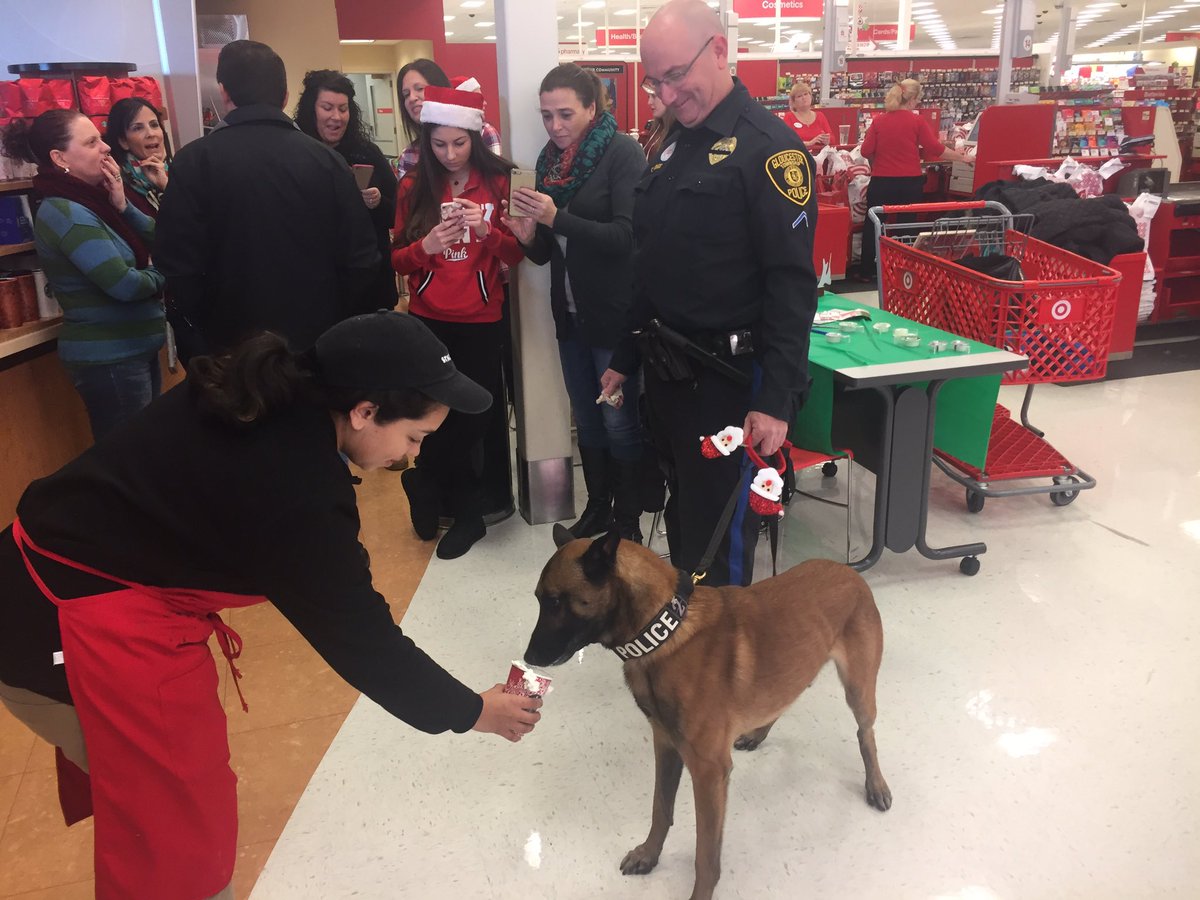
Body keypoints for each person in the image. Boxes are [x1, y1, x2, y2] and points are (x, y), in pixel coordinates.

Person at [0, 311, 543, 900]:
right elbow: (364, 640)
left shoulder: (270, 390)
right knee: (174, 822)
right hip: (62, 615)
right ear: (364, 411)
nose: (410, 457)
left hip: (62, 573)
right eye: (414, 437)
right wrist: (472, 711)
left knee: (172, 801)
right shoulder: (296, 485)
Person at [600, 0, 818, 587]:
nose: (666, 95)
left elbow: (792, 285)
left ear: (719, 51)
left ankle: (727, 665)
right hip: (669, 374)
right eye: (655, 81)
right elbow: (654, 261)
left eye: (676, 76)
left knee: (725, 538)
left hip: (729, 380)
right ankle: (693, 642)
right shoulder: (677, 143)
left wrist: (777, 397)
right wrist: (623, 357)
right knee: (686, 519)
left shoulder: (771, 152)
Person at [155, 40, 379, 364]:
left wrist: (199, 340)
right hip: (314, 344)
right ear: (285, 96)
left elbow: (175, 265)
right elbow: (362, 260)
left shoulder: (193, 162)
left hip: (228, 350)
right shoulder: (327, 162)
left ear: (224, 92)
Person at [501, 63, 647, 543]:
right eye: (546, 116)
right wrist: (527, 236)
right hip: (569, 317)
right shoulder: (549, 164)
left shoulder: (622, 153)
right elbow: (546, 254)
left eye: (565, 114)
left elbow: (628, 237)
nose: (555, 126)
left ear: (592, 107)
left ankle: (626, 522)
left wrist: (556, 217)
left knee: (618, 420)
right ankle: (598, 509)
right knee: (586, 417)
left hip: (614, 315)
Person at [392, 84, 523, 560]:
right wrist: (425, 247)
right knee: (436, 415)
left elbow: (518, 254)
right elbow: (398, 261)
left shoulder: (499, 183)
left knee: (476, 414)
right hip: (430, 320)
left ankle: (421, 479)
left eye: (459, 143)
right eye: (438, 143)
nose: (449, 154)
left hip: (483, 317)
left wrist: (487, 231)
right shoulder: (412, 187)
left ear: (475, 136)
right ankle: (467, 516)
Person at [1, 110, 165, 440]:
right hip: (112, 359)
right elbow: (123, 283)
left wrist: (124, 207)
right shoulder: (66, 212)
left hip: (133, 348)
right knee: (127, 461)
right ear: (59, 158)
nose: (105, 148)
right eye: (91, 142)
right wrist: (165, 271)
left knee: (145, 455)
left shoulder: (96, 201)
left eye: (101, 139)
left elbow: (162, 239)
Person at [294, 68, 399, 309]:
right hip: (316, 281)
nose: (337, 117)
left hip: (371, 282)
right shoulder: (297, 154)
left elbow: (397, 212)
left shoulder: (367, 152)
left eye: (343, 109)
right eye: (327, 107)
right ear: (312, 109)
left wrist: (378, 201)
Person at [857, 78, 967, 281]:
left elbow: (865, 150)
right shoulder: (916, 121)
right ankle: (901, 270)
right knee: (905, 226)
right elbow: (935, 149)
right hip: (909, 182)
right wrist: (963, 157)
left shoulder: (880, 121)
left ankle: (867, 271)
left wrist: (880, 159)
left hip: (881, 181)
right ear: (913, 99)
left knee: (874, 224)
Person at [396, 60, 502, 180]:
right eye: (406, 94)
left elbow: (496, 185)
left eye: (419, 88)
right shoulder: (410, 154)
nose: (411, 98)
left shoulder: (483, 133)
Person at [104, 96, 172, 218]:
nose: (151, 134)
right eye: (138, 128)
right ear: (123, 141)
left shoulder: (176, 170)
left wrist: (167, 187)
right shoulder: (117, 186)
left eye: (154, 125)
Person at [782, 80, 832, 154]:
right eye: (799, 96)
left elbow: (832, 138)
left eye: (806, 94)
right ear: (793, 101)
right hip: (799, 158)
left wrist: (827, 140)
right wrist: (809, 143)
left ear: (811, 96)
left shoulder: (820, 115)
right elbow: (786, 141)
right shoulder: (789, 117)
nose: (803, 98)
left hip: (820, 159)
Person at [643, 89, 677, 161]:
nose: (649, 102)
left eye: (654, 96)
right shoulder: (658, 126)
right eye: (648, 97)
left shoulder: (677, 131)